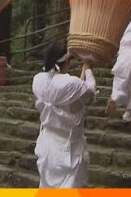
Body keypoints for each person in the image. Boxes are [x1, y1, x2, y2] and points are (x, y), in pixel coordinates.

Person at [33, 42, 96, 188]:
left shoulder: (38, 80)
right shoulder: (71, 83)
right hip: (68, 145)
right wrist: (88, 69)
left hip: (48, 143)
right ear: (67, 61)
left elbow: (75, 93)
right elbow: (89, 91)